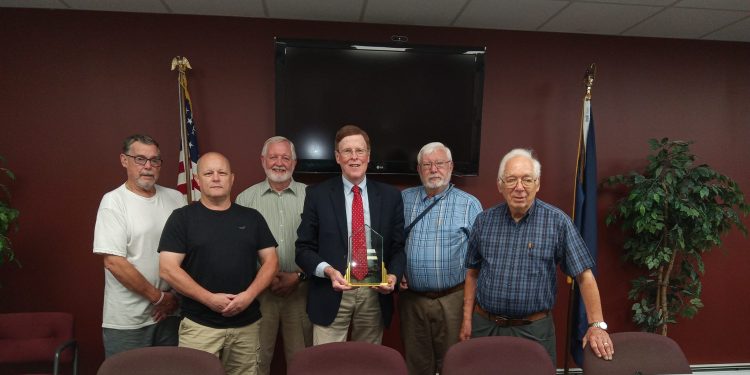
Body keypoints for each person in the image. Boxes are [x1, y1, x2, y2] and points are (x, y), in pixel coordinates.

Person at [460, 148, 614, 364]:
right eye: (511, 179)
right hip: (486, 328)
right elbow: (472, 273)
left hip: (534, 331)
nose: (519, 188)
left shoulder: (557, 222)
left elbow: (584, 276)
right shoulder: (483, 221)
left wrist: (596, 325)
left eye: (527, 180)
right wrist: (467, 320)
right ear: (500, 185)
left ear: (538, 184)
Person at [158, 152, 279, 375]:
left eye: (222, 173)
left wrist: (249, 296)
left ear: (232, 179)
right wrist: (210, 300)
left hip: (247, 327)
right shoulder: (181, 218)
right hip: (199, 327)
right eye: (209, 173)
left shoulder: (252, 218)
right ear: (197, 179)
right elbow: (167, 268)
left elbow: (271, 261)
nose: (216, 178)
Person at [295, 125, 406, 345]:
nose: (354, 157)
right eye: (347, 151)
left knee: (368, 364)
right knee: (327, 364)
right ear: (337, 157)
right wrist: (327, 271)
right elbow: (303, 249)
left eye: (359, 151)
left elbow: (398, 248)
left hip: (374, 295)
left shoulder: (390, 196)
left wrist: (392, 277)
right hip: (331, 291)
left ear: (368, 156)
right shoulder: (317, 195)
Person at [93, 134, 184, 357]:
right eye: (140, 159)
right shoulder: (113, 202)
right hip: (128, 321)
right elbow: (114, 262)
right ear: (124, 160)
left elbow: (189, 252)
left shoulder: (176, 199)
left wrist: (173, 297)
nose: (148, 167)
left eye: (155, 160)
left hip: (170, 314)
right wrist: (158, 298)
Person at [399, 142, 482, 375]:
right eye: (427, 164)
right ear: (419, 169)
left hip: (453, 300)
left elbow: (479, 261)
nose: (434, 169)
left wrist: (469, 311)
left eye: (439, 163)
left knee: (454, 365)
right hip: (412, 302)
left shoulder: (469, 204)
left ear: (451, 166)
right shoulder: (403, 200)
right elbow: (392, 243)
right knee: (416, 365)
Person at [236, 136, 311, 374]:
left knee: (302, 361)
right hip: (259, 295)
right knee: (257, 360)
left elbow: (325, 244)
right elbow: (238, 250)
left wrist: (299, 276)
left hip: (302, 292)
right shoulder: (245, 200)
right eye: (273, 157)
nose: (279, 163)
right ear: (262, 160)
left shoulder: (313, 197)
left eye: (285, 157)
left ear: (294, 163)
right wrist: (265, 277)